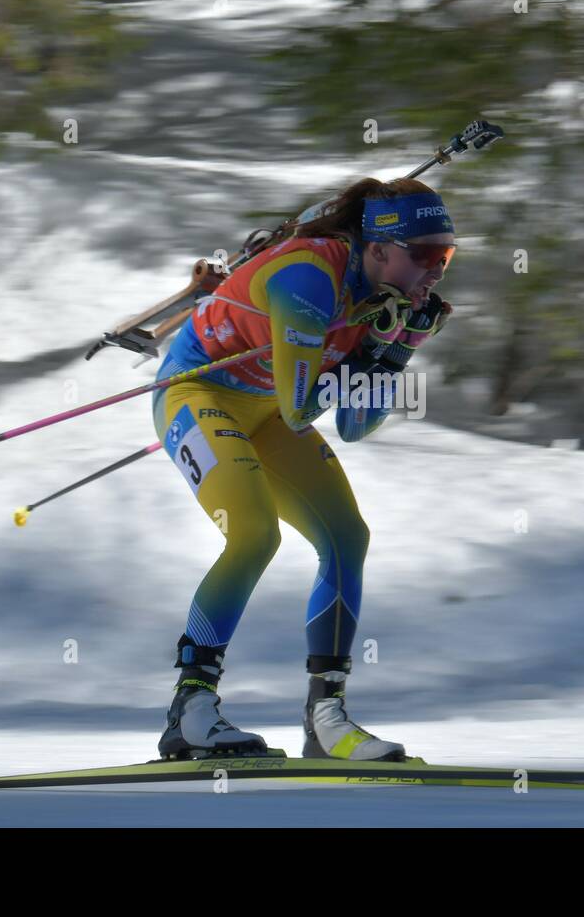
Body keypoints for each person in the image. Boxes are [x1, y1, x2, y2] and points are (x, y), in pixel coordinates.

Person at [150, 176, 455, 761]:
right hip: (196, 396)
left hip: (265, 411)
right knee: (254, 535)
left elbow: (355, 426)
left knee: (346, 537)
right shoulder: (307, 279)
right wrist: (373, 349)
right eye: (425, 255)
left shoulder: (381, 294)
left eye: (446, 255)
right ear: (380, 249)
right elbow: (301, 409)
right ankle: (189, 712)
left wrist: (395, 349)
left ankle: (327, 719)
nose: (436, 271)